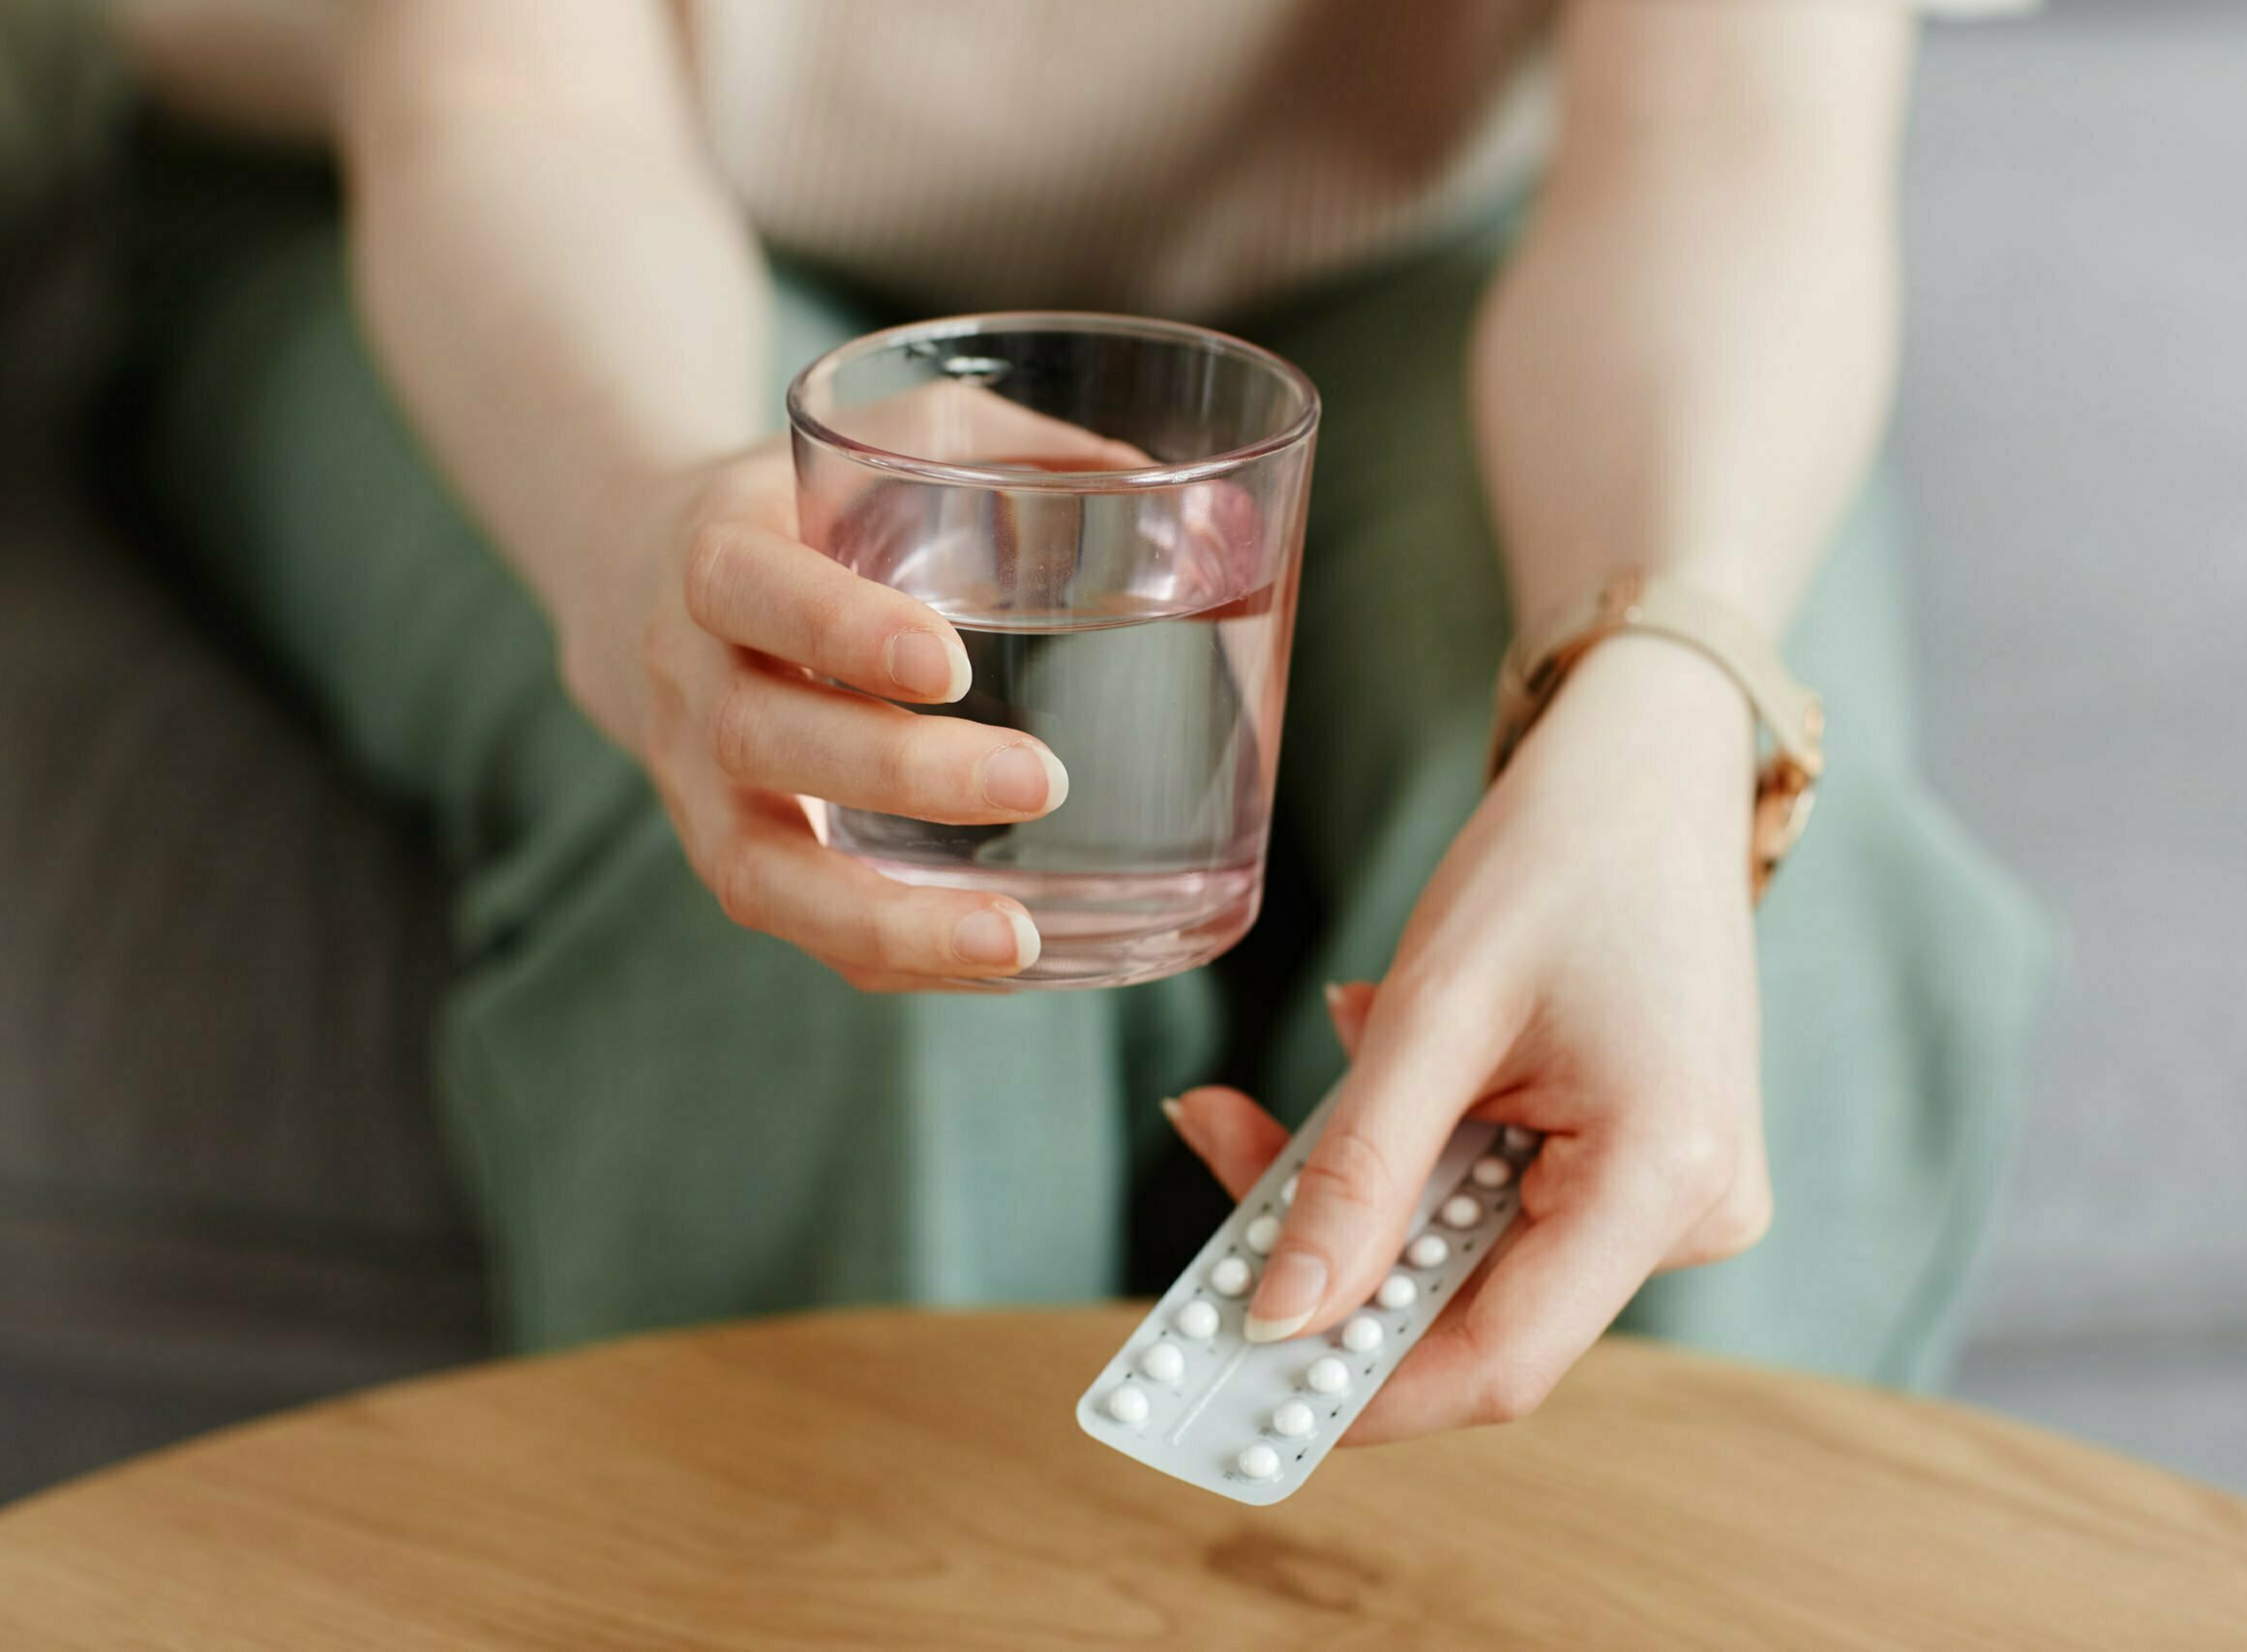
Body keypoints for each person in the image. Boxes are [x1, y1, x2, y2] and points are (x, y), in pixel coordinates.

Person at [114, 0, 2049, 1445]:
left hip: (1411, 260)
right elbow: (504, 101)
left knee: (1741, 877)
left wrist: (1659, 690)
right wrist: (643, 515)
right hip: (500, 201)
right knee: (827, 878)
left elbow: (1730, 137)